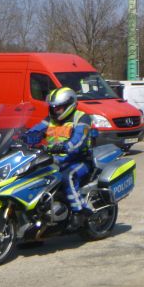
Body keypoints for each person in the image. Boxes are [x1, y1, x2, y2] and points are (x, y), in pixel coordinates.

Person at [23, 87, 94, 215]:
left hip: (78, 160)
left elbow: (78, 141)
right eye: (53, 107)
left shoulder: (82, 118)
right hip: (54, 160)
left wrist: (64, 147)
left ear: (69, 105)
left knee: (68, 176)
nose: (55, 110)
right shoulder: (50, 119)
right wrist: (20, 138)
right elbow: (36, 132)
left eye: (58, 107)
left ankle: (79, 212)